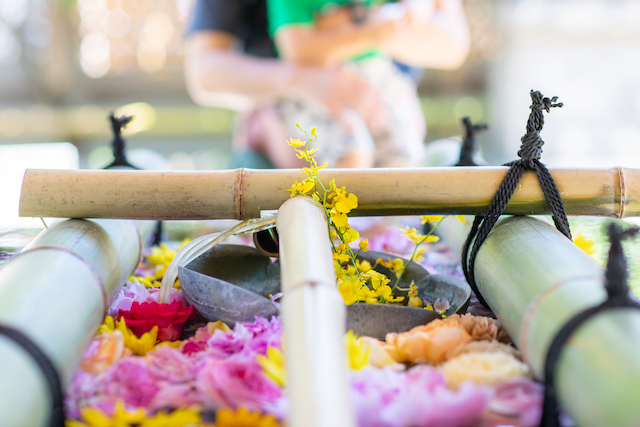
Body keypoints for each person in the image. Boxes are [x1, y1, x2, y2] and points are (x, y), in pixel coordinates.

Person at [183, 0, 389, 168]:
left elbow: (416, 30)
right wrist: (301, 80)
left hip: (383, 105)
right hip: (282, 119)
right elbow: (204, 71)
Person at [267, 0, 471, 167]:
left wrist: (341, 25)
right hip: (318, 84)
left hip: (381, 76)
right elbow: (299, 52)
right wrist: (373, 29)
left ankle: (393, 218)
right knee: (351, 151)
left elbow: (439, 31)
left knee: (403, 156)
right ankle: (341, 215)